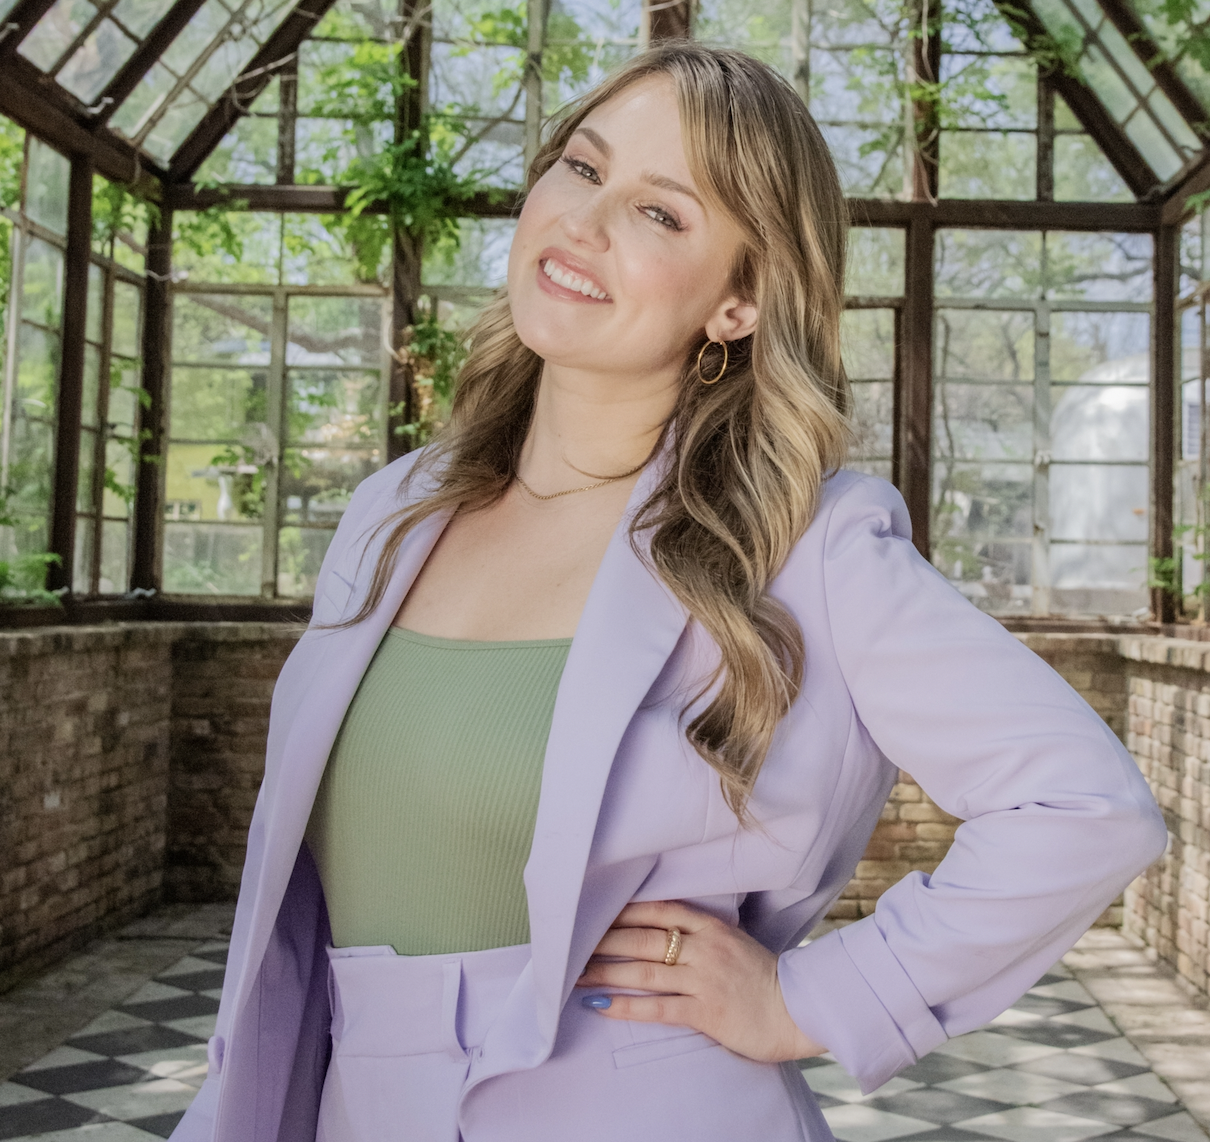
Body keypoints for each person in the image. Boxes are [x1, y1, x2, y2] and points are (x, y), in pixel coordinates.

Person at [169, 43, 1166, 1142]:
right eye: (582, 168)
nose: (585, 224)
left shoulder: (804, 545)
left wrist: (808, 998)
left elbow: (1081, 805)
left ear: (738, 302)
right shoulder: (393, 510)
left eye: (661, 214)